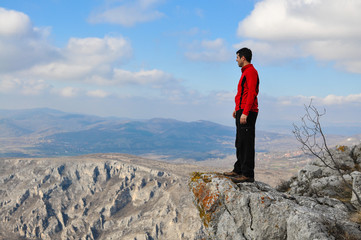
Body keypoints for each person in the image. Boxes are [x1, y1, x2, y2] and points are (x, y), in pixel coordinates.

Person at [224, 47, 259, 183]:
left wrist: (245, 112)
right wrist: (237, 109)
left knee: (246, 143)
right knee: (240, 142)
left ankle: (247, 174)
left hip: (247, 112)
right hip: (242, 110)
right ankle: (238, 169)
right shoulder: (245, 72)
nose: (236, 60)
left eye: (237, 57)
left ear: (243, 58)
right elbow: (243, 94)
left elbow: (251, 93)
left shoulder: (251, 72)